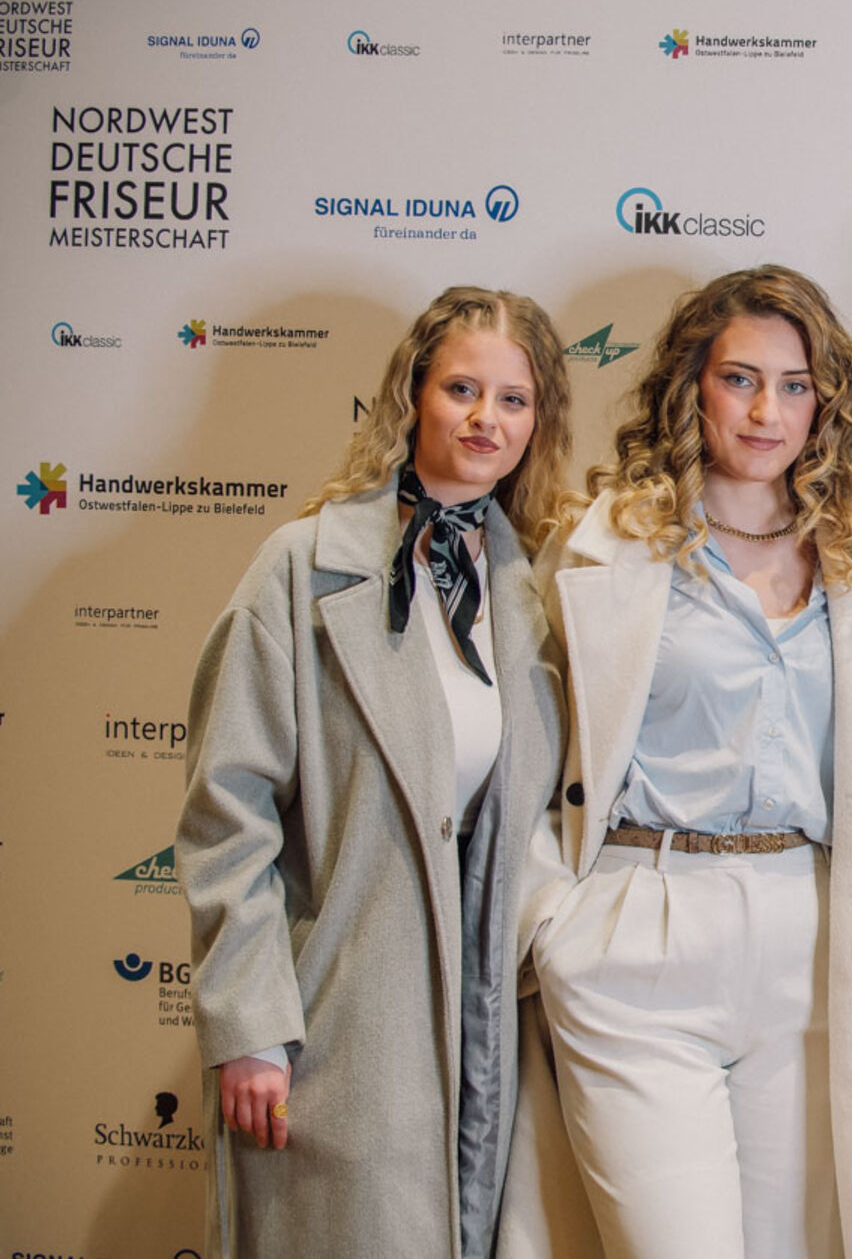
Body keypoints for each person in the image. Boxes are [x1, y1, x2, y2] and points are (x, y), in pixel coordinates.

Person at [498, 265, 852, 1259]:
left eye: (794, 386)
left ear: (825, 403)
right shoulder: (605, 546)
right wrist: (552, 923)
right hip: (639, 924)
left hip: (813, 937)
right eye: (739, 378)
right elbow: (525, 746)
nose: (764, 411)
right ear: (691, 385)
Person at [176, 286, 573, 1258]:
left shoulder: (537, 589)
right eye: (462, 389)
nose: (486, 420)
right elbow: (229, 810)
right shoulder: (300, 567)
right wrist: (250, 1024)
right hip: (340, 1018)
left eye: (514, 399)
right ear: (412, 395)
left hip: (495, 1029)